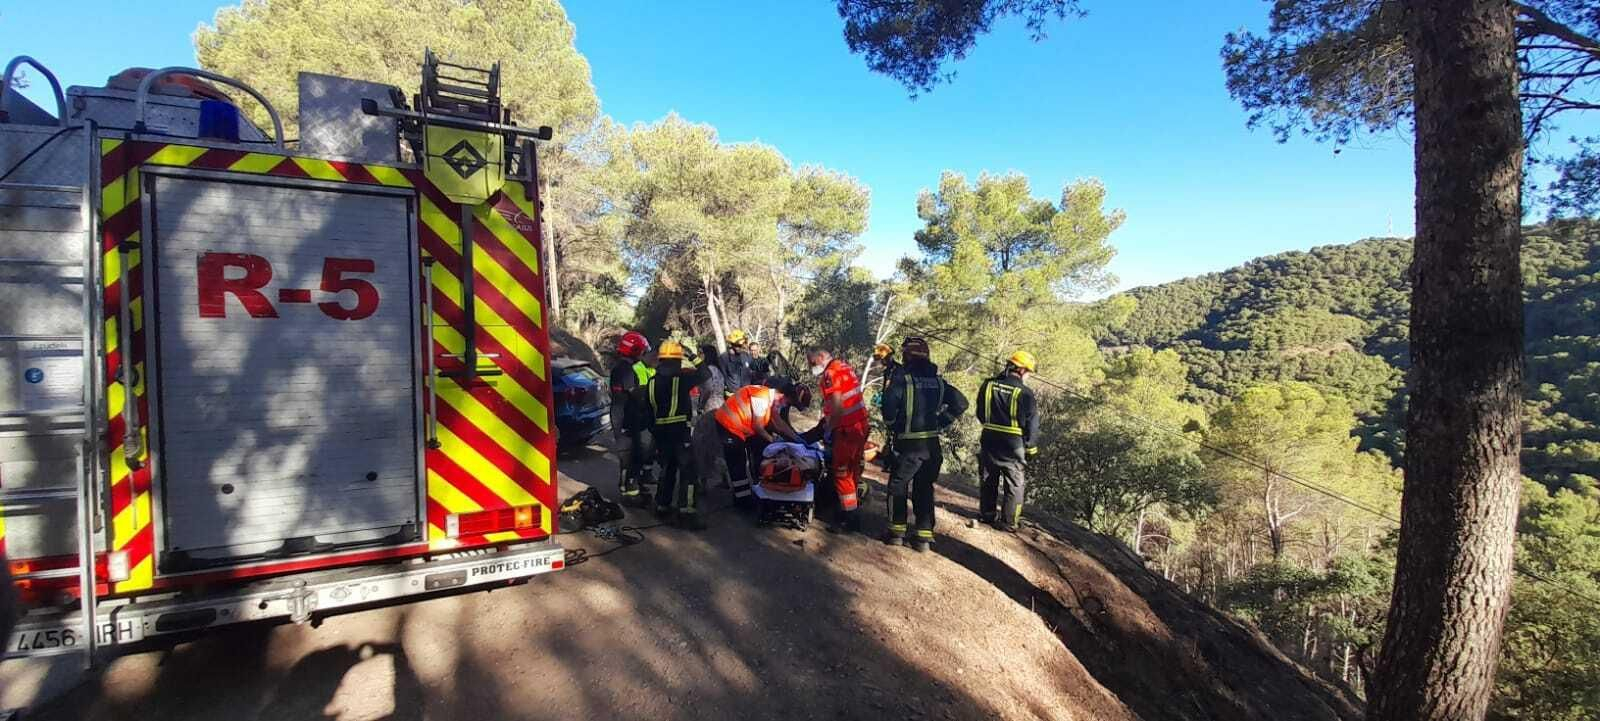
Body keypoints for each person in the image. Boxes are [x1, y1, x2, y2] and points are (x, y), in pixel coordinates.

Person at [880, 337, 968, 552]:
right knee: (924, 488)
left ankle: (896, 532)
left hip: (908, 446)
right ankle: (923, 538)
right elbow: (962, 403)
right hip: (932, 447)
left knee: (898, 486)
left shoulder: (903, 379)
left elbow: (888, 409)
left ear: (908, 356)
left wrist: (893, 425)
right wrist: (942, 421)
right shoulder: (939, 381)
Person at [802, 349, 870, 533]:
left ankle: (849, 519)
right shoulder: (844, 367)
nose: (811, 366)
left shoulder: (830, 374)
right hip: (860, 425)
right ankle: (848, 511)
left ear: (822, 357)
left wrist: (830, 429)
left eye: (812, 362)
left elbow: (838, 406)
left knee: (841, 473)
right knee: (853, 470)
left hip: (847, 429)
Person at [646, 340, 709, 529]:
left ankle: (662, 506)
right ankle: (687, 513)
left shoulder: (652, 381)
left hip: (661, 432)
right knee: (689, 472)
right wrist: (692, 355)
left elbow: (648, 412)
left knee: (667, 470)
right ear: (676, 360)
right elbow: (706, 374)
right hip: (679, 431)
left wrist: (655, 432)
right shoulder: (681, 378)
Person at [713, 381, 809, 506]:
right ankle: (742, 501)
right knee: (738, 463)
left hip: (738, 427)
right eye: (786, 402)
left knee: (746, 458)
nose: (784, 405)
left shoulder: (770, 399)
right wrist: (772, 440)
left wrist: (795, 438)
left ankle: (746, 494)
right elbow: (758, 426)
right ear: (781, 396)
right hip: (728, 424)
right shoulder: (761, 398)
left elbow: (778, 423)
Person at [975, 350, 1040, 532]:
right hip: (1013, 444)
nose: (1028, 376)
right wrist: (1031, 448)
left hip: (988, 439)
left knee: (988, 478)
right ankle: (1009, 522)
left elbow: (980, 413)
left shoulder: (988, 385)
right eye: (1028, 372)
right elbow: (1032, 425)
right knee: (1015, 484)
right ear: (1021, 370)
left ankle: (987, 515)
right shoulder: (1025, 393)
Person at [608, 331, 655, 506]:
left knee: (635, 454)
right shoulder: (625, 370)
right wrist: (653, 389)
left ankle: (633, 487)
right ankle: (629, 493)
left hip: (626, 417)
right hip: (624, 420)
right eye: (642, 351)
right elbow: (635, 393)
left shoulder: (622, 367)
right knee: (629, 457)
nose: (643, 355)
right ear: (635, 351)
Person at [691, 342, 729, 490]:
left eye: (701, 353)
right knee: (718, 443)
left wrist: (701, 405)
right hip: (721, 406)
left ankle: (703, 480)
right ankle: (725, 477)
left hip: (710, 408)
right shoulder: (719, 370)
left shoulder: (707, 370)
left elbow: (707, 389)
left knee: (702, 444)